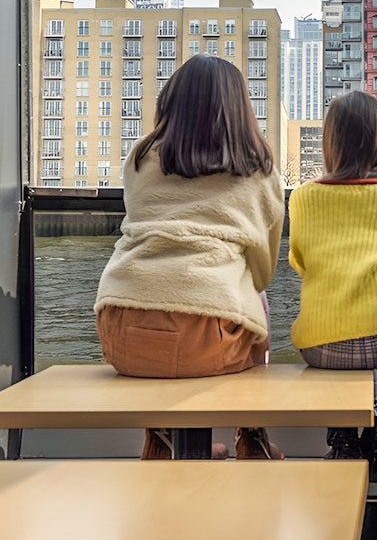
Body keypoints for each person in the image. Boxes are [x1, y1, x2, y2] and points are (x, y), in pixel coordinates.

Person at [94, 54, 285, 460]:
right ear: (239, 110)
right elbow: (263, 267)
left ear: (170, 101)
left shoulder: (141, 158)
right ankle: (253, 437)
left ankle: (162, 441)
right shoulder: (259, 168)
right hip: (208, 339)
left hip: (121, 329)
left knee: (160, 293)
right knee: (254, 297)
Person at [288, 90, 377, 471]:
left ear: (331, 143)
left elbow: (301, 261)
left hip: (319, 344)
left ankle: (344, 437)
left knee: (347, 325)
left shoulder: (301, 198)